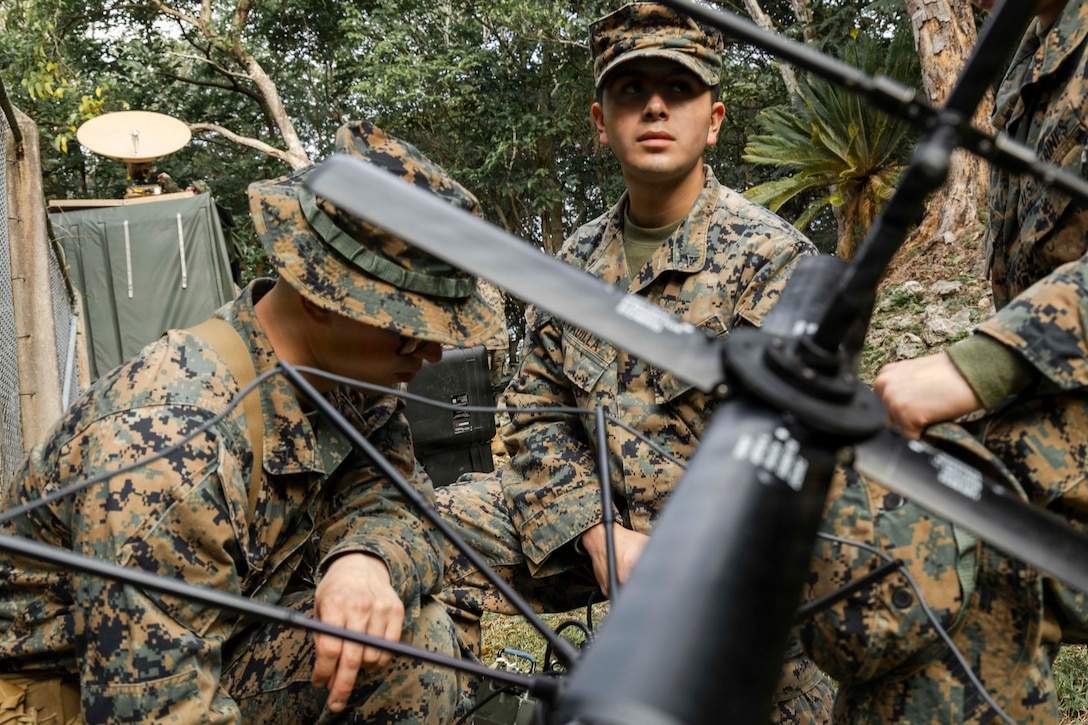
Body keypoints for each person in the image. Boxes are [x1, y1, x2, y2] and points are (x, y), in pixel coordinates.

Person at [0, 120, 501, 724]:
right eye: (409, 331)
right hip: (70, 694)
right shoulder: (168, 440)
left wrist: (363, 560)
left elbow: (402, 505)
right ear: (320, 297)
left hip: (218, 641)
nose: (430, 357)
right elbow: (154, 709)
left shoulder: (352, 381)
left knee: (410, 645)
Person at [436, 3, 834, 721]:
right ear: (600, 121)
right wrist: (597, 530)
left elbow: (798, 459)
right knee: (432, 533)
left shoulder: (775, 261)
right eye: (631, 90)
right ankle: (468, 707)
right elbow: (533, 415)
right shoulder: (576, 262)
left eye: (678, 89)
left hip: (731, 559)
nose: (654, 104)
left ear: (713, 120)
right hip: (598, 532)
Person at [802, 0, 1088, 720]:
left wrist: (983, 364)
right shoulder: (1032, 51)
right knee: (869, 544)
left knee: (942, 562)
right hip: (1060, 419)